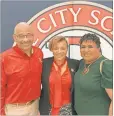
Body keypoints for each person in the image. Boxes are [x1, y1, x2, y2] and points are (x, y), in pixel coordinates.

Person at [0, 22, 43, 116]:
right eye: (21, 36)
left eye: (28, 35)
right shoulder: (4, 58)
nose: (25, 39)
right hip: (14, 110)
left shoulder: (38, 53)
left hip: (35, 106)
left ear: (33, 36)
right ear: (14, 38)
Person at [39, 36, 79, 115]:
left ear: (67, 49)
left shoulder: (75, 64)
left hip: (69, 110)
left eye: (63, 48)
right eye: (56, 48)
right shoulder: (44, 64)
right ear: (51, 49)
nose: (59, 51)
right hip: (48, 109)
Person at [74, 33, 113, 115]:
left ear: (99, 48)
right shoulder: (81, 63)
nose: (86, 50)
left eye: (90, 47)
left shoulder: (106, 65)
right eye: (83, 47)